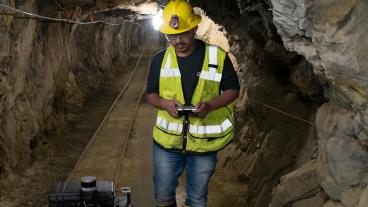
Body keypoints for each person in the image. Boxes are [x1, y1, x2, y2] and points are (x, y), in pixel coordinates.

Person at [146, 0, 240, 206]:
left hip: (203, 143)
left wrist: (210, 106)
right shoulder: (159, 60)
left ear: (195, 28)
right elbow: (150, 94)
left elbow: (233, 90)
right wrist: (164, 103)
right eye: (172, 35)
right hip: (167, 143)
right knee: (162, 196)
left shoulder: (217, 57)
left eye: (184, 33)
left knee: (197, 198)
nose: (178, 40)